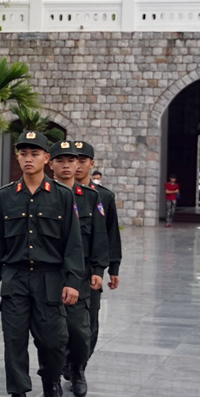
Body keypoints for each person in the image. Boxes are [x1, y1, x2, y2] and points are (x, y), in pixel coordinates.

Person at [0, 131, 86, 397]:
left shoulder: (62, 195)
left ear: (46, 159)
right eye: (23, 153)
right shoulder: (4, 196)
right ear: (18, 157)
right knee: (14, 345)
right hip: (15, 279)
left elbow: (73, 244)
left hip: (50, 279)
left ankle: (52, 383)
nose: (28, 159)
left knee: (53, 342)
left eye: (35, 154)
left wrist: (72, 281)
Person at [52, 141, 107, 397]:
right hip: (50, 274)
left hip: (83, 274)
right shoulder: (44, 195)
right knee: (52, 331)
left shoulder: (92, 197)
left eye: (72, 160)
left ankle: (77, 367)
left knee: (80, 330)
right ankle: (52, 379)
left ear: (79, 165)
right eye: (61, 160)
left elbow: (100, 237)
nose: (67, 165)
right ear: (50, 163)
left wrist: (100, 269)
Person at [84, 150, 122, 357]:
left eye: (83, 161)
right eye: (74, 160)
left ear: (92, 164)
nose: (77, 165)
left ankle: (79, 365)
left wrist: (113, 267)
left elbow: (111, 234)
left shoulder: (104, 196)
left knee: (90, 320)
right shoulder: (58, 194)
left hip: (91, 267)